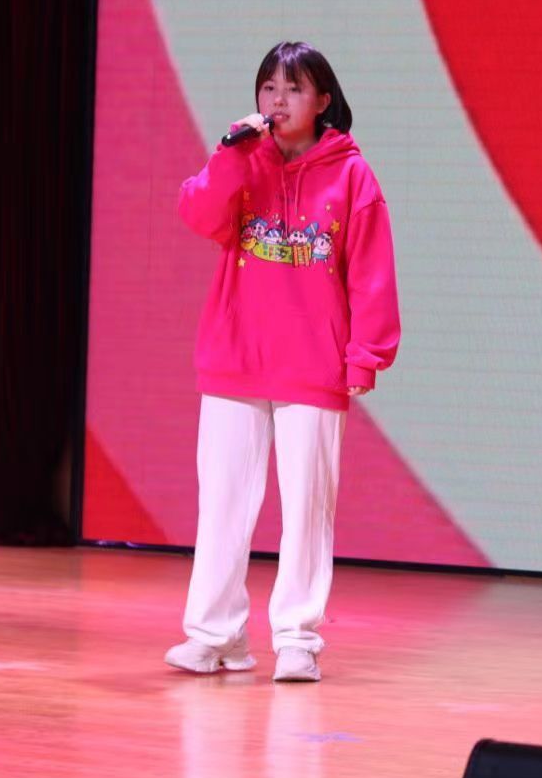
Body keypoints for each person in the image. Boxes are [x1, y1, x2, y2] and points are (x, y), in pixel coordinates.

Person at [164, 41, 400, 683]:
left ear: (323, 100)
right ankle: (216, 636)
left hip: (314, 367)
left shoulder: (352, 175)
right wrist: (229, 153)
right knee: (223, 506)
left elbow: (371, 272)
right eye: (269, 87)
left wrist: (365, 356)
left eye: (294, 88)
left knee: (306, 509)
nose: (278, 99)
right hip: (235, 357)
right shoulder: (244, 160)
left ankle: (297, 639)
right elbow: (198, 214)